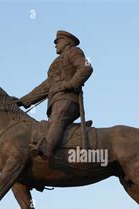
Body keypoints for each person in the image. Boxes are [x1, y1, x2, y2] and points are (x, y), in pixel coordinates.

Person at [17, 30, 93, 159]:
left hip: (68, 99)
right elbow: (47, 85)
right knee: (53, 123)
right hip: (56, 100)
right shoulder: (55, 62)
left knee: (57, 119)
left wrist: (71, 84)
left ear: (67, 41)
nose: (55, 44)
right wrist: (24, 100)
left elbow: (86, 67)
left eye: (58, 41)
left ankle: (47, 148)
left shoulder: (74, 51)